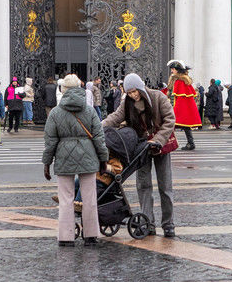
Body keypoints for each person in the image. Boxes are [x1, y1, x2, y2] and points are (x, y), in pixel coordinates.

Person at [103, 72, 177, 238]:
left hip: (160, 145)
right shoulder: (127, 103)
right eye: (129, 93)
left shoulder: (158, 97)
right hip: (141, 147)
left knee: (165, 187)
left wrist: (158, 139)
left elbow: (170, 120)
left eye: (135, 91)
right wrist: (99, 127)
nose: (133, 95)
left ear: (141, 89)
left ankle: (168, 224)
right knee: (143, 186)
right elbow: (115, 117)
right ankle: (147, 223)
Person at [43, 73, 108, 247]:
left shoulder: (56, 113)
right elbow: (99, 137)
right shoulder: (89, 110)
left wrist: (47, 163)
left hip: (64, 156)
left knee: (65, 199)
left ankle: (66, 237)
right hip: (88, 156)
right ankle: (91, 235)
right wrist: (103, 159)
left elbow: (50, 141)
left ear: (63, 90)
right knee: (89, 198)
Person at [167, 60, 201, 149]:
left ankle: (169, 143)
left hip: (178, 107)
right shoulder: (179, 80)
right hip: (176, 107)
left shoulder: (180, 81)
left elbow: (179, 98)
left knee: (170, 124)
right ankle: (190, 143)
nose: (171, 71)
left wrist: (174, 109)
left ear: (177, 70)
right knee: (184, 126)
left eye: (173, 69)